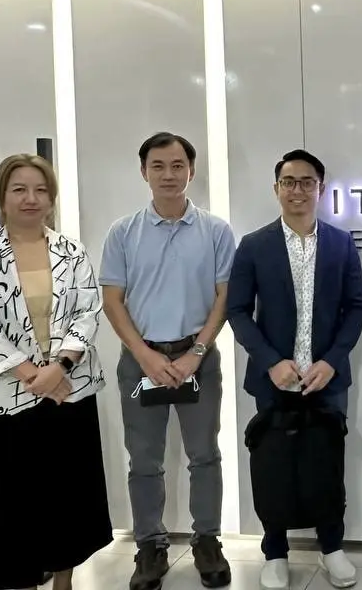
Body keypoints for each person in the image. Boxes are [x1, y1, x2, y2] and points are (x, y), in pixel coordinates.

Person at [0, 154, 111, 590]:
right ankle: (21, 581)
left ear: (51, 198)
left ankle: (64, 581)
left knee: (68, 496)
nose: (31, 198)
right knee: (12, 501)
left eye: (40, 190)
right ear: (2, 197)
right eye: (20, 190)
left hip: (69, 389)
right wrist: (33, 374)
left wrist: (60, 366)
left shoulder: (72, 251)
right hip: (8, 396)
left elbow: (88, 312)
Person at [100, 132, 236, 590]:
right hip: (140, 361)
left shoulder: (216, 231)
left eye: (178, 165)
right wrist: (145, 356)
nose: (168, 175)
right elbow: (113, 301)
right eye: (158, 166)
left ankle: (207, 542)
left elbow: (224, 297)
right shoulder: (122, 232)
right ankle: (150, 547)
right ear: (144, 172)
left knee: (205, 456)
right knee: (144, 461)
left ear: (191, 171)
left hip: (198, 359)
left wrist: (197, 352)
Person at [227, 149, 362, 590]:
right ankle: (274, 551)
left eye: (307, 182)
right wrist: (270, 361)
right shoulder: (254, 245)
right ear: (276, 189)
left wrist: (332, 361)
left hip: (327, 380)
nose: (298, 190)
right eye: (289, 182)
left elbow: (356, 306)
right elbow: (237, 310)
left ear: (320, 189)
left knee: (327, 466)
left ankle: (332, 548)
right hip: (274, 380)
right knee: (273, 467)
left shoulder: (341, 244)